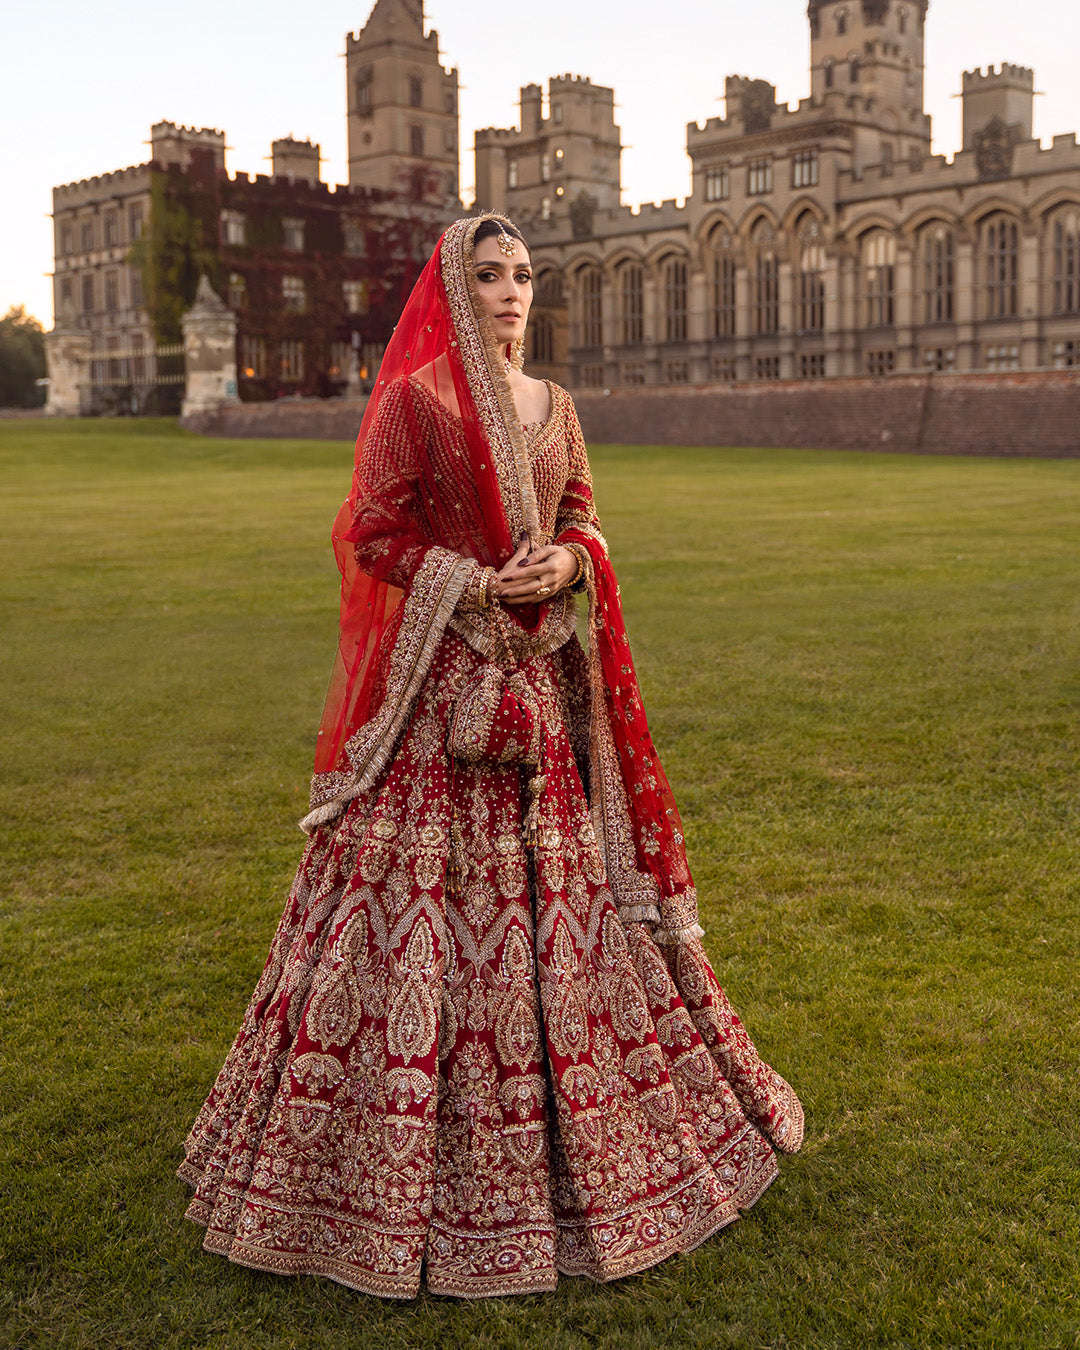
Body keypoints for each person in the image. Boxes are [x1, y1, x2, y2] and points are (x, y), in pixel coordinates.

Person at [179, 213, 803, 1300]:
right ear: (453, 287)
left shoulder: (557, 406)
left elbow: (586, 515)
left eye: (523, 275)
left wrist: (569, 559)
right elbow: (371, 532)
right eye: (489, 275)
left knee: (570, 910)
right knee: (415, 926)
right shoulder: (417, 401)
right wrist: (469, 587)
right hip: (441, 705)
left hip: (547, 697)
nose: (512, 292)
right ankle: (385, 1159)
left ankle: (585, 1128)